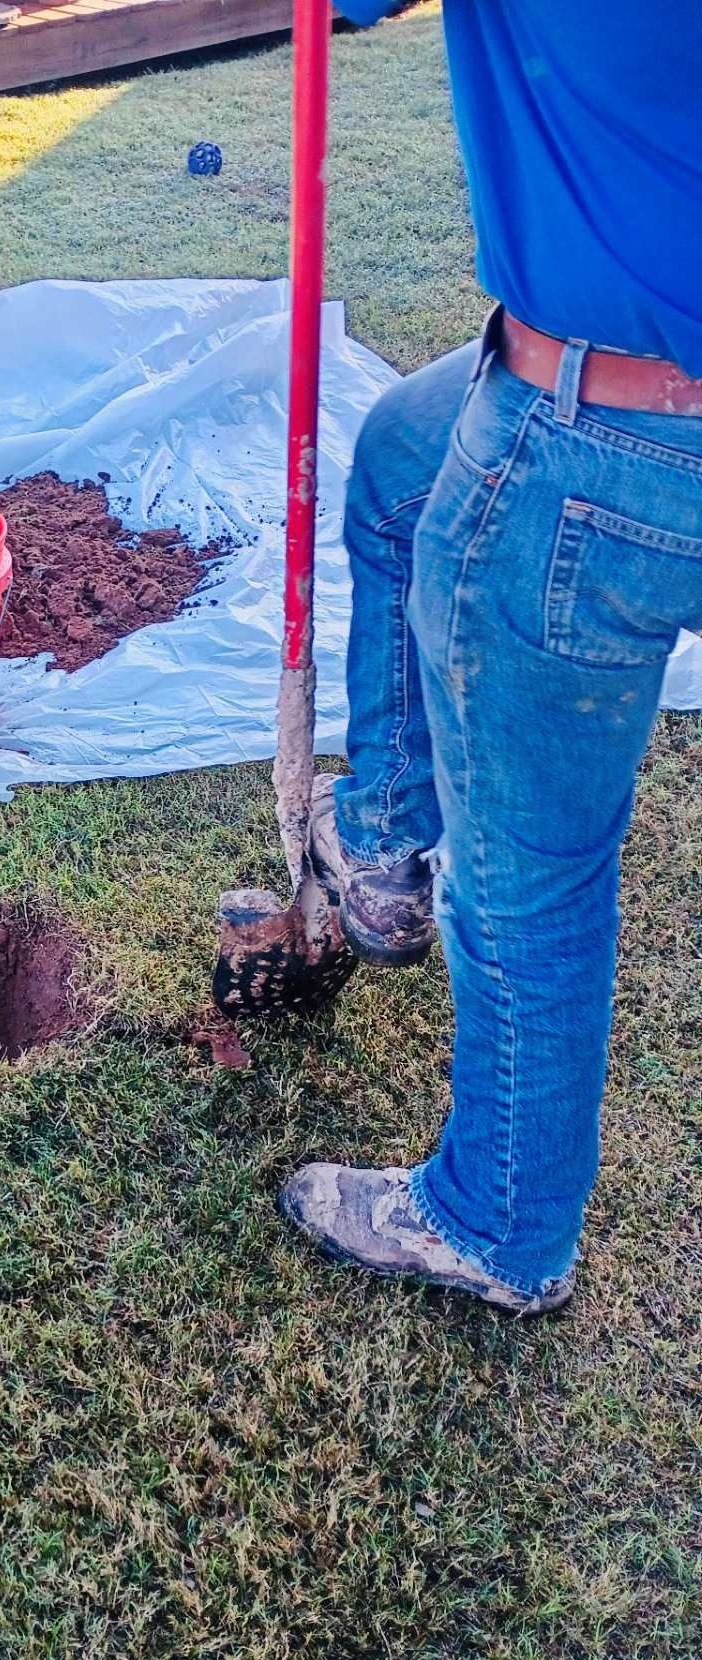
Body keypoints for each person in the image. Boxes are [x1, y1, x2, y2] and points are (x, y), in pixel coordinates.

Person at [278, 1, 702, 1315]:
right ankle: (386, 843)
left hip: (605, 445)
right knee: (403, 458)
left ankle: (498, 1225)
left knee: (529, 882)